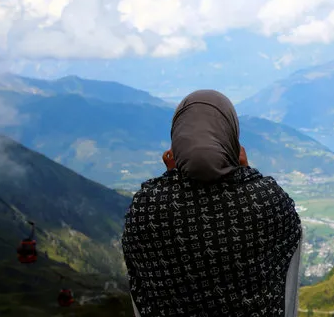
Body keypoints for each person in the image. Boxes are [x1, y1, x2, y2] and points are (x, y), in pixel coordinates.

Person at [121, 90, 303, 317]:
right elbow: (284, 275)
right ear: (231, 138)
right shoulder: (269, 201)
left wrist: (171, 181)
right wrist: (247, 175)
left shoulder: (146, 209)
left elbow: (142, 288)